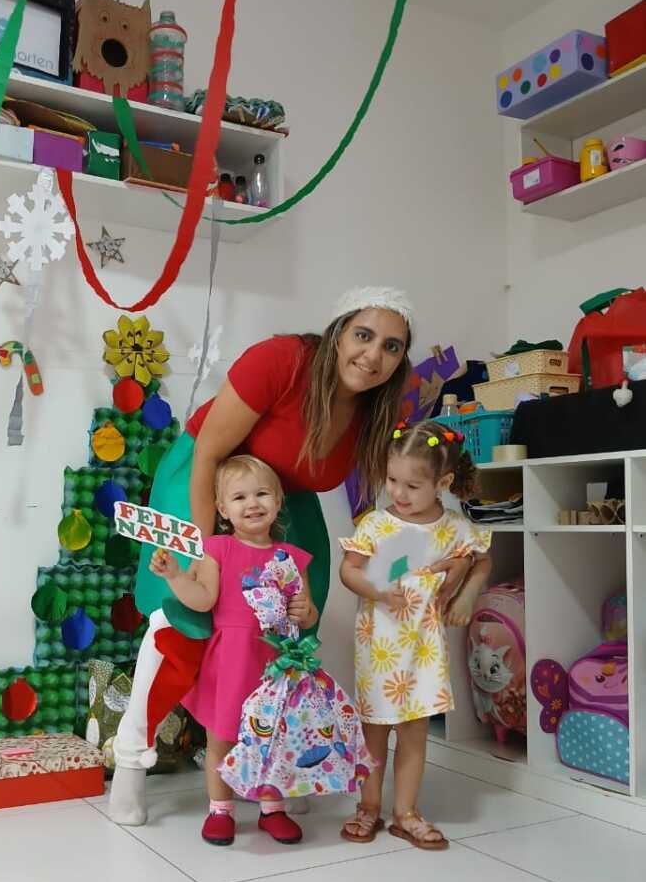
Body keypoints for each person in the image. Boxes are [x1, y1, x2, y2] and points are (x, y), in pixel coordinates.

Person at [108, 286, 471, 826]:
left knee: (288, 626)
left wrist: (424, 552)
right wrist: (207, 551)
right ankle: (131, 757)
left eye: (392, 346)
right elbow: (209, 451)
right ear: (338, 332)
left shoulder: (376, 408)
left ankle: (261, 760)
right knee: (183, 616)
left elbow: (386, 496)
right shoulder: (282, 360)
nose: (373, 355)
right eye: (363, 335)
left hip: (283, 495)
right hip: (206, 474)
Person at [338, 419, 493, 850]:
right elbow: (349, 570)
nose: (399, 493)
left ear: (443, 483)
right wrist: (376, 589)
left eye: (412, 485)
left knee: (414, 730)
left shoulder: (454, 526)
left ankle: (406, 812)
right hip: (380, 645)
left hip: (425, 649)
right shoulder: (376, 523)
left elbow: (482, 560)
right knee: (375, 729)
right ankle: (369, 806)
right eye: (392, 481)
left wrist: (466, 598)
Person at [149, 455, 318, 845]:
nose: (252, 504)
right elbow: (203, 599)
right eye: (240, 497)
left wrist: (304, 610)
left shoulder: (291, 556)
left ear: (278, 500)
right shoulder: (218, 548)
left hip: (275, 662)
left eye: (262, 494)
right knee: (221, 738)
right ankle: (220, 809)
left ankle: (272, 809)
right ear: (223, 509)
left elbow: (308, 614)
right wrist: (175, 576)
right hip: (230, 660)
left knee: (275, 738)